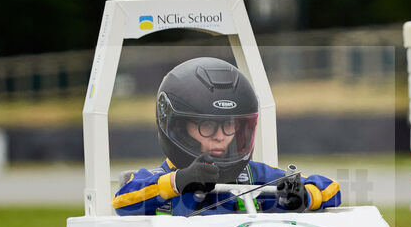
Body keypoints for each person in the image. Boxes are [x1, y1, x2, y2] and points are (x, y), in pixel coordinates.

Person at [112, 57, 341, 216]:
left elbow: (331, 189)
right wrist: (179, 181)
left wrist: (305, 196)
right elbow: (122, 201)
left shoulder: (254, 176)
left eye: (228, 126)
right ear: (180, 128)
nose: (221, 136)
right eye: (208, 126)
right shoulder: (159, 179)